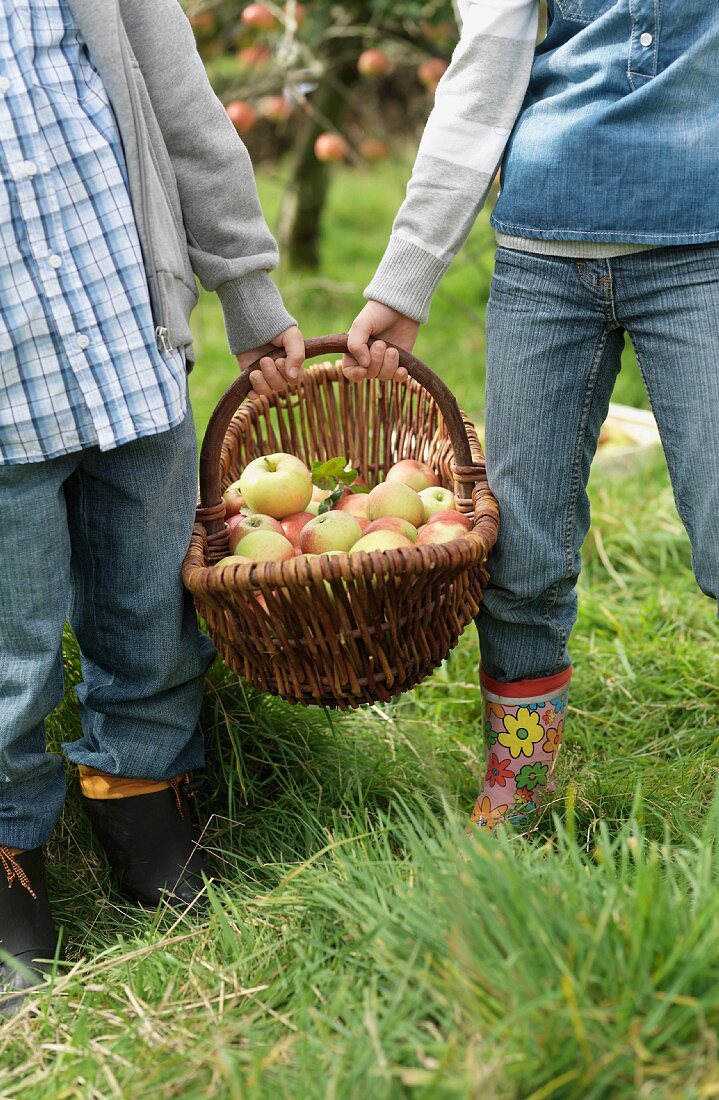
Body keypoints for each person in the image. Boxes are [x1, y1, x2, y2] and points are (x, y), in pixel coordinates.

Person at [345, 2, 719, 857]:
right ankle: (518, 777)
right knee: (520, 547)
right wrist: (409, 273)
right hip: (542, 257)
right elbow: (484, 66)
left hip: (704, 256)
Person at [0, 0, 304, 999]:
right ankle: (8, 851)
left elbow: (181, 106)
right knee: (10, 645)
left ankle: (140, 790)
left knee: (151, 607)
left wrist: (248, 288)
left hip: (127, 338)